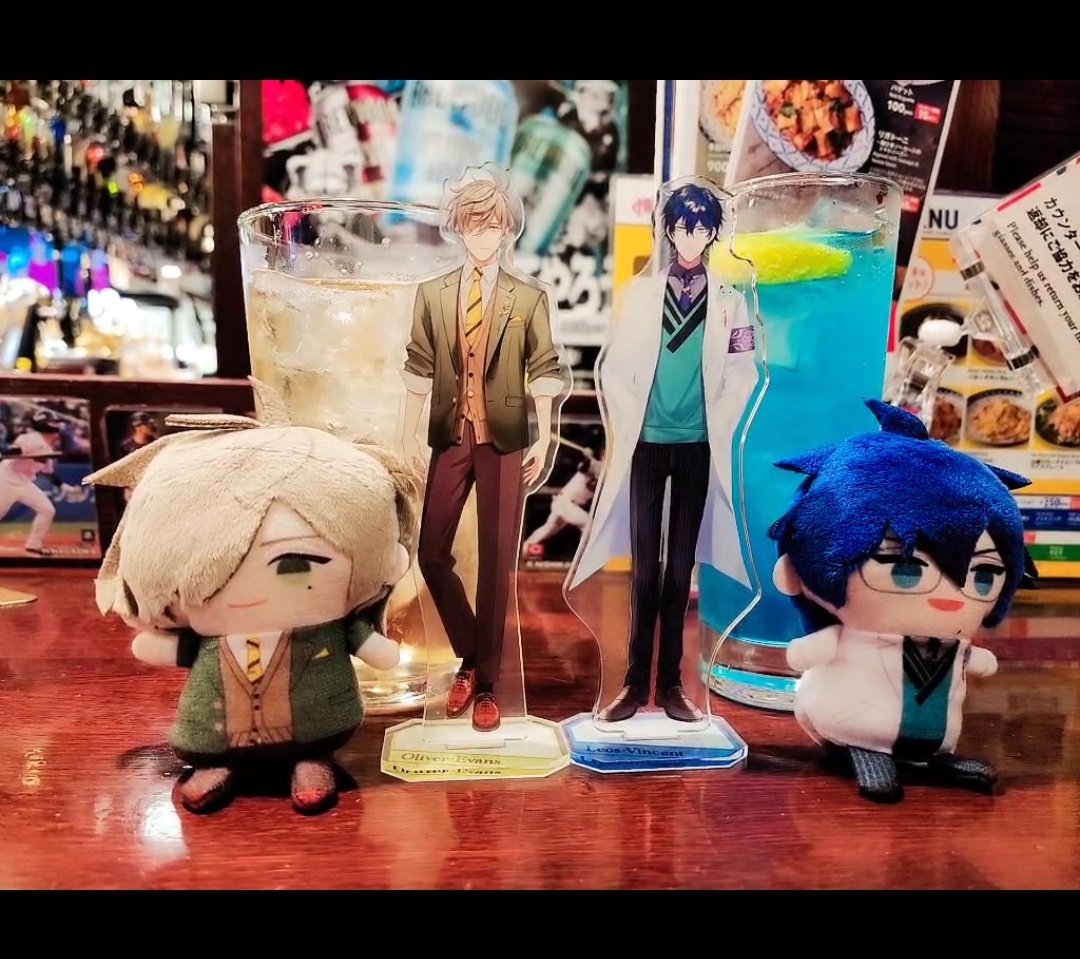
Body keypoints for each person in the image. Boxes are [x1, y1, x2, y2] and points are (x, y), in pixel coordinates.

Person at [771, 400, 1036, 803]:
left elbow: (974, 662)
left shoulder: (955, 644)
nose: (950, 597)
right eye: (905, 570)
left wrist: (976, 658)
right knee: (866, 742)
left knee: (932, 739)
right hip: (853, 723)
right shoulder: (852, 636)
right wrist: (808, 650)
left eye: (983, 576)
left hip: (934, 734)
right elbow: (806, 654)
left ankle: (932, 759)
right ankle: (865, 753)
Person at [569, 180, 761, 724]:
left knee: (679, 573)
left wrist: (721, 416)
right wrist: (626, 410)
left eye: (701, 229)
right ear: (669, 231)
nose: (690, 237)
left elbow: (744, 370)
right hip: (647, 445)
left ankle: (671, 685)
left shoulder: (731, 300)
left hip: (698, 446)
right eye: (681, 228)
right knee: (644, 575)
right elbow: (614, 364)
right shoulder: (644, 294)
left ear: (714, 233)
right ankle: (634, 685)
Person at [401, 168, 570, 733]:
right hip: (451, 434)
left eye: (492, 225)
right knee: (431, 553)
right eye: (473, 226)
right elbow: (418, 365)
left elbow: (544, 366)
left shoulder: (528, 298)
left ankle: (487, 685)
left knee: (497, 566)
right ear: (459, 228)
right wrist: (409, 431)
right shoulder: (433, 294)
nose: (482, 235)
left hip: (505, 438)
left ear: (506, 229)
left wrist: (544, 432)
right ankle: (472, 654)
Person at [522, 445, 603, 558]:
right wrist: (589, 458)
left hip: (565, 504)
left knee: (548, 529)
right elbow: (583, 467)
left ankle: (524, 549)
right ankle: (584, 557)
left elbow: (600, 472)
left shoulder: (603, 469)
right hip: (565, 502)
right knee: (588, 524)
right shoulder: (593, 465)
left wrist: (591, 458)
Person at [0, 430, 60, 555]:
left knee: (47, 510)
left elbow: (49, 473)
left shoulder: (48, 451)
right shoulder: (31, 439)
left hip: (25, 484)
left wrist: (62, 485)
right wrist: (4, 453)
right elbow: (16, 450)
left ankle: (34, 544)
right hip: (6, 481)